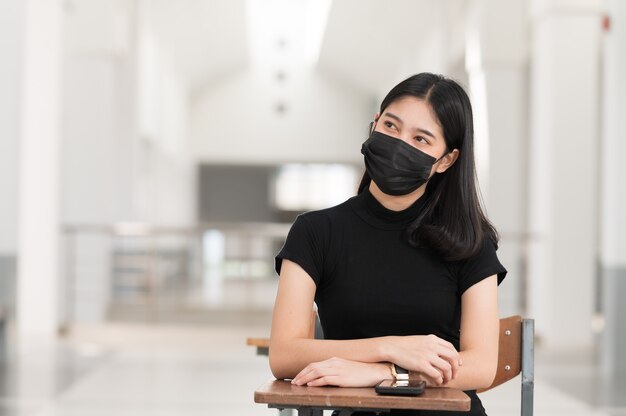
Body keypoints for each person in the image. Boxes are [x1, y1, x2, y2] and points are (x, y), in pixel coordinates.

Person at [269, 72, 507, 416]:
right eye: (392, 127)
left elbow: (481, 366)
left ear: (446, 160)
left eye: (421, 139)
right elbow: (284, 355)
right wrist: (394, 347)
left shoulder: (471, 240)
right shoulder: (314, 232)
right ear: (374, 124)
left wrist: (385, 373)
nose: (400, 144)